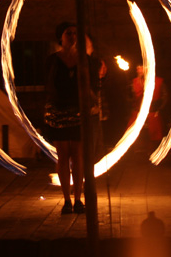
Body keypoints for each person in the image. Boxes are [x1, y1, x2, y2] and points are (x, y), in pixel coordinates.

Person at [44, 22, 104, 215]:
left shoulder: (87, 61)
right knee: (63, 154)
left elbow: (94, 87)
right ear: (60, 37)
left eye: (75, 33)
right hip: (59, 112)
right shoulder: (53, 61)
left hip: (79, 112)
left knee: (78, 155)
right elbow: (48, 86)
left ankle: (78, 199)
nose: (72, 36)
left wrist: (94, 103)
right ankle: (67, 200)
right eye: (68, 33)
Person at [128, 64, 168, 151]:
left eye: (141, 68)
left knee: (154, 136)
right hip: (137, 113)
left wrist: (159, 108)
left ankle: (151, 152)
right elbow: (130, 97)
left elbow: (165, 97)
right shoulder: (134, 82)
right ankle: (138, 151)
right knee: (135, 135)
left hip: (153, 113)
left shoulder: (158, 81)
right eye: (137, 68)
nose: (138, 70)